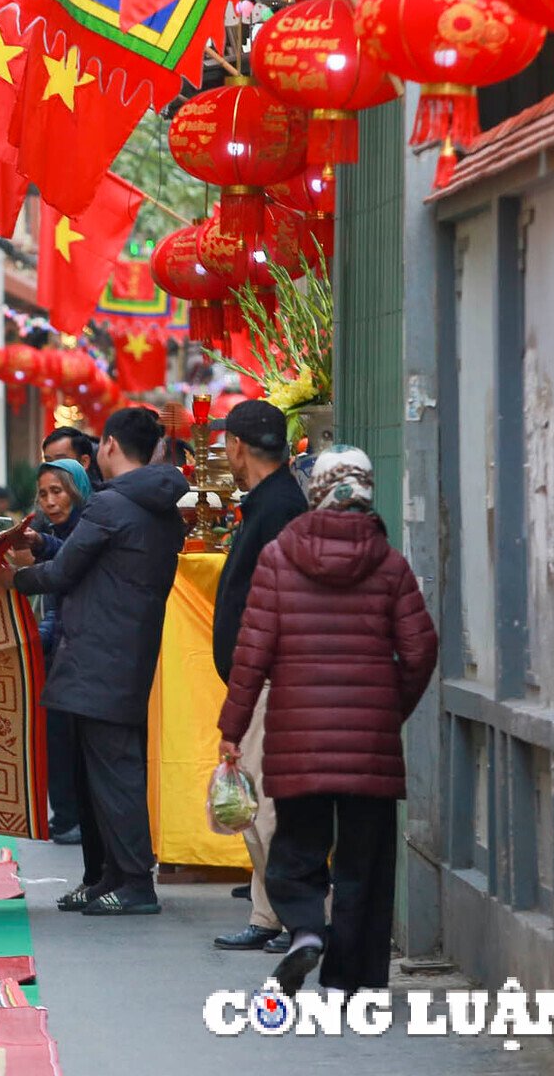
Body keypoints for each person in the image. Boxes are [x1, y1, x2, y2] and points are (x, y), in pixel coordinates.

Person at [217, 446, 437, 996]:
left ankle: (308, 930)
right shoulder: (389, 563)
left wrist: (232, 729)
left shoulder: (278, 557)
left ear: (316, 491)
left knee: (295, 852)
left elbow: (252, 653)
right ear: (365, 491)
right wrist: (390, 711)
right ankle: (353, 984)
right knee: (366, 866)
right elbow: (419, 651)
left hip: (298, 741)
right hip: (370, 748)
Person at [0, 408, 186, 916]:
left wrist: (13, 578)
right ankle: (111, 876)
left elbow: (62, 573)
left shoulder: (110, 506)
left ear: (107, 446)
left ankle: (134, 885)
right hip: (126, 648)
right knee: (104, 773)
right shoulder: (159, 505)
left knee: (114, 775)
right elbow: (100, 564)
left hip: (99, 655)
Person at [206, 401, 309, 954]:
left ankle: (293, 917)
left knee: (266, 800)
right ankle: (267, 912)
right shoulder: (271, 502)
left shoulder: (282, 506)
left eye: (226, 446)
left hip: (271, 677)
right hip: (255, 675)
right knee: (252, 795)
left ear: (237, 447)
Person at [23, 460, 93, 846]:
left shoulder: (88, 529)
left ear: (78, 490)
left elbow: (70, 567)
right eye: (44, 494)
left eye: (58, 492)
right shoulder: (55, 533)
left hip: (82, 654)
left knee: (70, 738)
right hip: (62, 647)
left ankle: (74, 816)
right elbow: (55, 607)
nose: (50, 502)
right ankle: (67, 815)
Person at [41, 426, 103, 491]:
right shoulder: (43, 497)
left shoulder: (99, 499)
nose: (53, 468)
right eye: (48, 462)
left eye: (61, 462)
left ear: (84, 462)